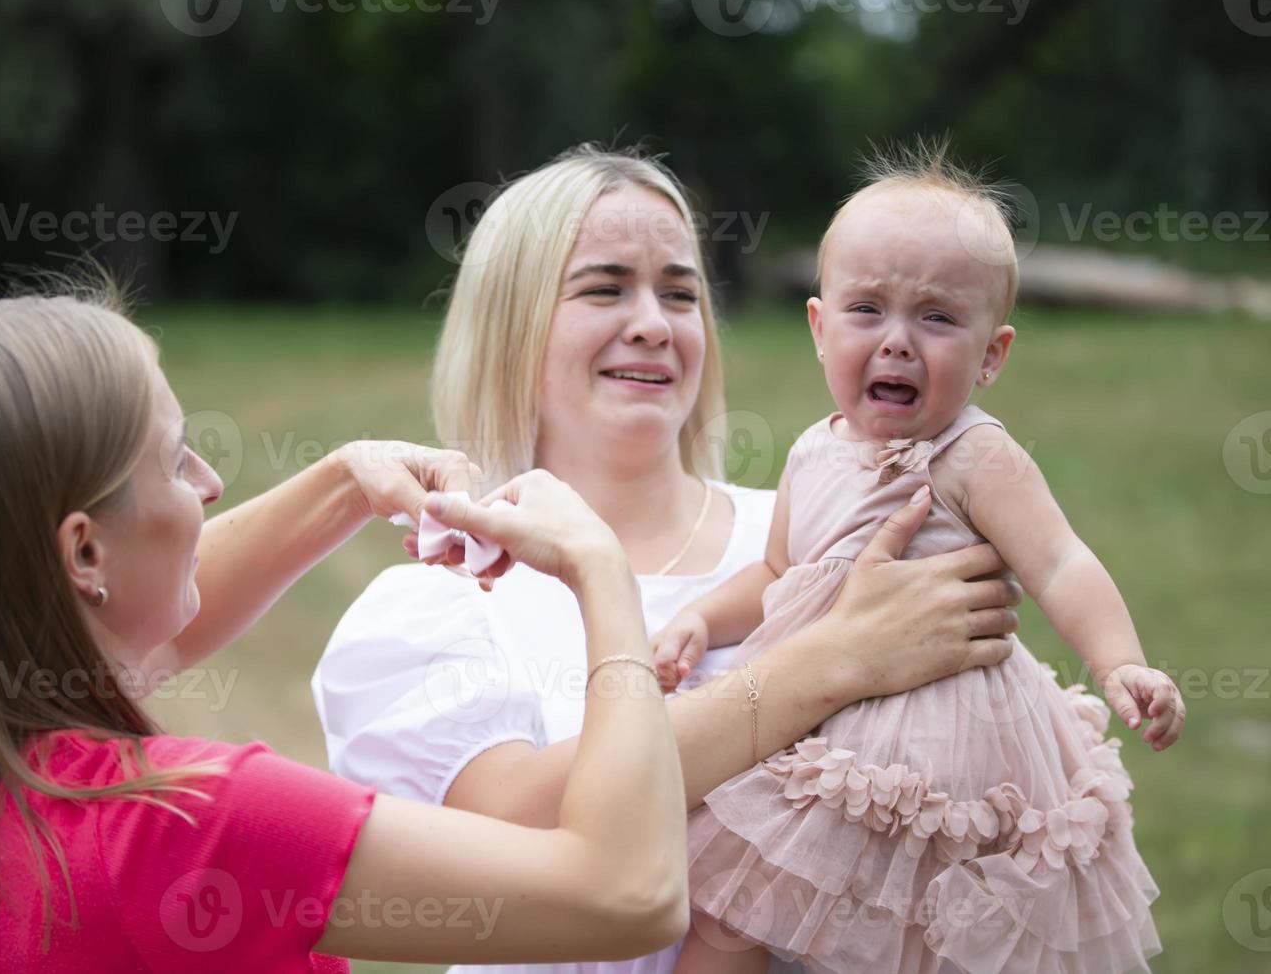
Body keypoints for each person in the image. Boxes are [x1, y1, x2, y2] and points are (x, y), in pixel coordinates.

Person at [0, 285, 715, 972]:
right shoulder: (186, 820)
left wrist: (346, 484)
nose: (209, 484)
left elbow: (132, 627)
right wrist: (602, 573)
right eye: (176, 455)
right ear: (82, 554)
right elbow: (624, 892)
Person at [313, 144, 1023, 974]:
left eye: (680, 293)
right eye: (605, 288)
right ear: (512, 322)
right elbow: (509, 830)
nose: (653, 322)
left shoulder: (831, 536)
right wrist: (834, 663)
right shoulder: (442, 600)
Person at [659, 144, 1178, 973]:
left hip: (950, 752)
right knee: (735, 915)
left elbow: (1061, 565)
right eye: (868, 310)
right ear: (820, 330)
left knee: (934, 932)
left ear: (992, 354)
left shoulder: (975, 456)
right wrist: (697, 615)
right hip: (814, 729)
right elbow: (775, 575)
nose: (898, 342)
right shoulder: (809, 454)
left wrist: (1120, 662)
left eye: (936, 318)